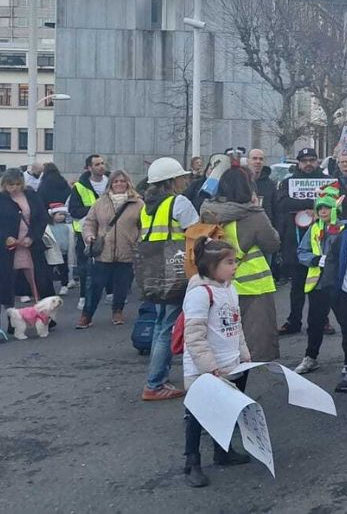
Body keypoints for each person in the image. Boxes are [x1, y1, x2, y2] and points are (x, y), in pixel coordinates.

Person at [180, 237, 252, 488]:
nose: (235, 267)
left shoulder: (230, 288)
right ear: (211, 266)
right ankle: (192, 462)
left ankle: (223, 451)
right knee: (197, 415)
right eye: (229, 262)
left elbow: (236, 324)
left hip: (231, 364)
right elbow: (194, 337)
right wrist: (209, 367)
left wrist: (243, 353)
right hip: (207, 369)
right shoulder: (200, 294)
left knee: (226, 410)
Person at [199, 166, 281, 364]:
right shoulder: (252, 215)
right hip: (253, 284)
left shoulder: (208, 211)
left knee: (224, 332)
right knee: (254, 340)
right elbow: (273, 243)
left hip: (218, 281)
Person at [139, 157, 200, 402]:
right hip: (175, 269)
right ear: (171, 181)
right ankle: (154, 383)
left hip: (152, 270)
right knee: (167, 327)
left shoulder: (147, 206)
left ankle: (158, 378)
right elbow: (197, 232)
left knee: (160, 324)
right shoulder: (179, 202)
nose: (185, 180)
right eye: (181, 177)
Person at [274, 148, 332, 336]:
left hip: (322, 240)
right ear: (298, 163)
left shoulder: (326, 181)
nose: (308, 163)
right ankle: (294, 320)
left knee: (320, 283)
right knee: (297, 284)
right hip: (296, 241)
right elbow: (283, 203)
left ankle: (322, 319)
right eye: (304, 160)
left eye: (312, 160)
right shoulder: (288, 182)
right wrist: (312, 204)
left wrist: (316, 209)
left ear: (317, 162)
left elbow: (335, 202)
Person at [78, 169, 142, 328]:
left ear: (128, 182)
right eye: (116, 181)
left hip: (126, 251)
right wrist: (89, 236)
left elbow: (143, 226)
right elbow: (90, 222)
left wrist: (137, 241)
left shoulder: (139, 203)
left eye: (122, 181)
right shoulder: (100, 202)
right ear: (110, 184)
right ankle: (87, 314)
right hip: (103, 252)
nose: (119, 184)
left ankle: (118, 311)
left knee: (122, 285)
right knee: (95, 285)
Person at [292, 194, 344, 374]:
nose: (322, 211)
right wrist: (315, 259)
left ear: (335, 209)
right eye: (319, 208)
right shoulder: (314, 228)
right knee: (314, 323)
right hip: (318, 284)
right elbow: (302, 251)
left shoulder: (344, 228)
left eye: (326, 207)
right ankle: (310, 357)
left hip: (338, 283)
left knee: (346, 324)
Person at [0, 168, 54, 316]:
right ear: (4, 184)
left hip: (31, 245)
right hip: (9, 249)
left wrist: (32, 237)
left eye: (17, 184)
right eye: (11, 185)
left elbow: (41, 219)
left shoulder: (31, 195)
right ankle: (12, 319)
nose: (15, 188)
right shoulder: (2, 199)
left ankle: (45, 317)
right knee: (9, 285)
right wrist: (5, 238)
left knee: (40, 281)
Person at [68, 154, 108, 311]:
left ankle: (110, 293)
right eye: (97, 164)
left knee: (109, 262)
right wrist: (94, 210)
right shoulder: (79, 187)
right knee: (85, 267)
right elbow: (74, 210)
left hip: (107, 230)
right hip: (85, 232)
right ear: (89, 168)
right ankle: (84, 296)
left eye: (103, 163)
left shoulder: (112, 183)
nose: (101, 167)